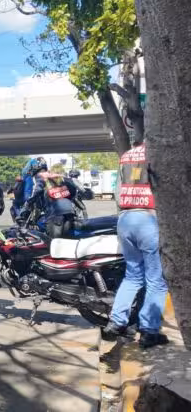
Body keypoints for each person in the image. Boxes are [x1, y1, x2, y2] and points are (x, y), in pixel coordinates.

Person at [103, 140, 168, 349]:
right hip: (149, 219)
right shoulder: (161, 154)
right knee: (157, 280)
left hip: (125, 218)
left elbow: (117, 190)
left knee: (133, 275)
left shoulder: (128, 156)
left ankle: (116, 321)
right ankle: (149, 331)